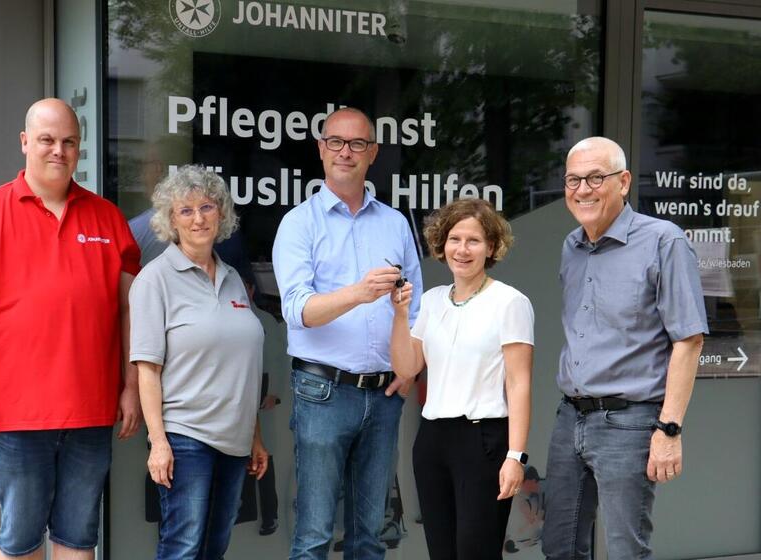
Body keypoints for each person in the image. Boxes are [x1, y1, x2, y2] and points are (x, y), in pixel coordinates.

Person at [0, 98, 142, 560]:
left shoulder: (107, 217)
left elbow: (131, 310)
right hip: (17, 414)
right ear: (25, 142)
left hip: (91, 411)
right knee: (21, 541)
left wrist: (130, 385)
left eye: (69, 142)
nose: (59, 150)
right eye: (48, 140)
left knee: (78, 539)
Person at [542, 137, 707, 559]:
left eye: (596, 177)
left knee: (625, 551)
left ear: (624, 182)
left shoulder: (663, 241)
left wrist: (669, 429)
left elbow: (688, 341)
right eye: (573, 180)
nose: (583, 189)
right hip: (570, 418)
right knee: (559, 547)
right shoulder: (571, 246)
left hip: (629, 423)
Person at [272, 107, 423, 560]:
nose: (346, 152)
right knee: (315, 535)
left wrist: (411, 370)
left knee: (370, 537)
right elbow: (297, 310)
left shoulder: (395, 223)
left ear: (372, 153)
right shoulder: (299, 223)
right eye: (336, 142)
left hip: (383, 395)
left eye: (358, 144)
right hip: (323, 390)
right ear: (320, 149)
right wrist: (358, 293)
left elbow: (416, 309)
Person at [130, 164, 269, 559]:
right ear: (170, 220)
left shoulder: (232, 279)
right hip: (185, 437)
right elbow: (148, 369)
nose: (198, 218)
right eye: (185, 210)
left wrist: (255, 435)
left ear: (221, 214)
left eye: (207, 207)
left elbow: (240, 368)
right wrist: (158, 443)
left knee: (214, 548)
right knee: (183, 547)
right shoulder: (154, 280)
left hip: (235, 441)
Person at [390, 198, 534, 560]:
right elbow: (407, 369)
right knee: (442, 552)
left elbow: (519, 384)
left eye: (474, 241)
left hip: (483, 442)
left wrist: (515, 456)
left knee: (476, 552)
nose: (462, 249)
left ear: (491, 247)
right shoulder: (432, 301)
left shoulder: (510, 303)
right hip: (433, 441)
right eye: (455, 239)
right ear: (441, 244)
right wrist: (400, 314)